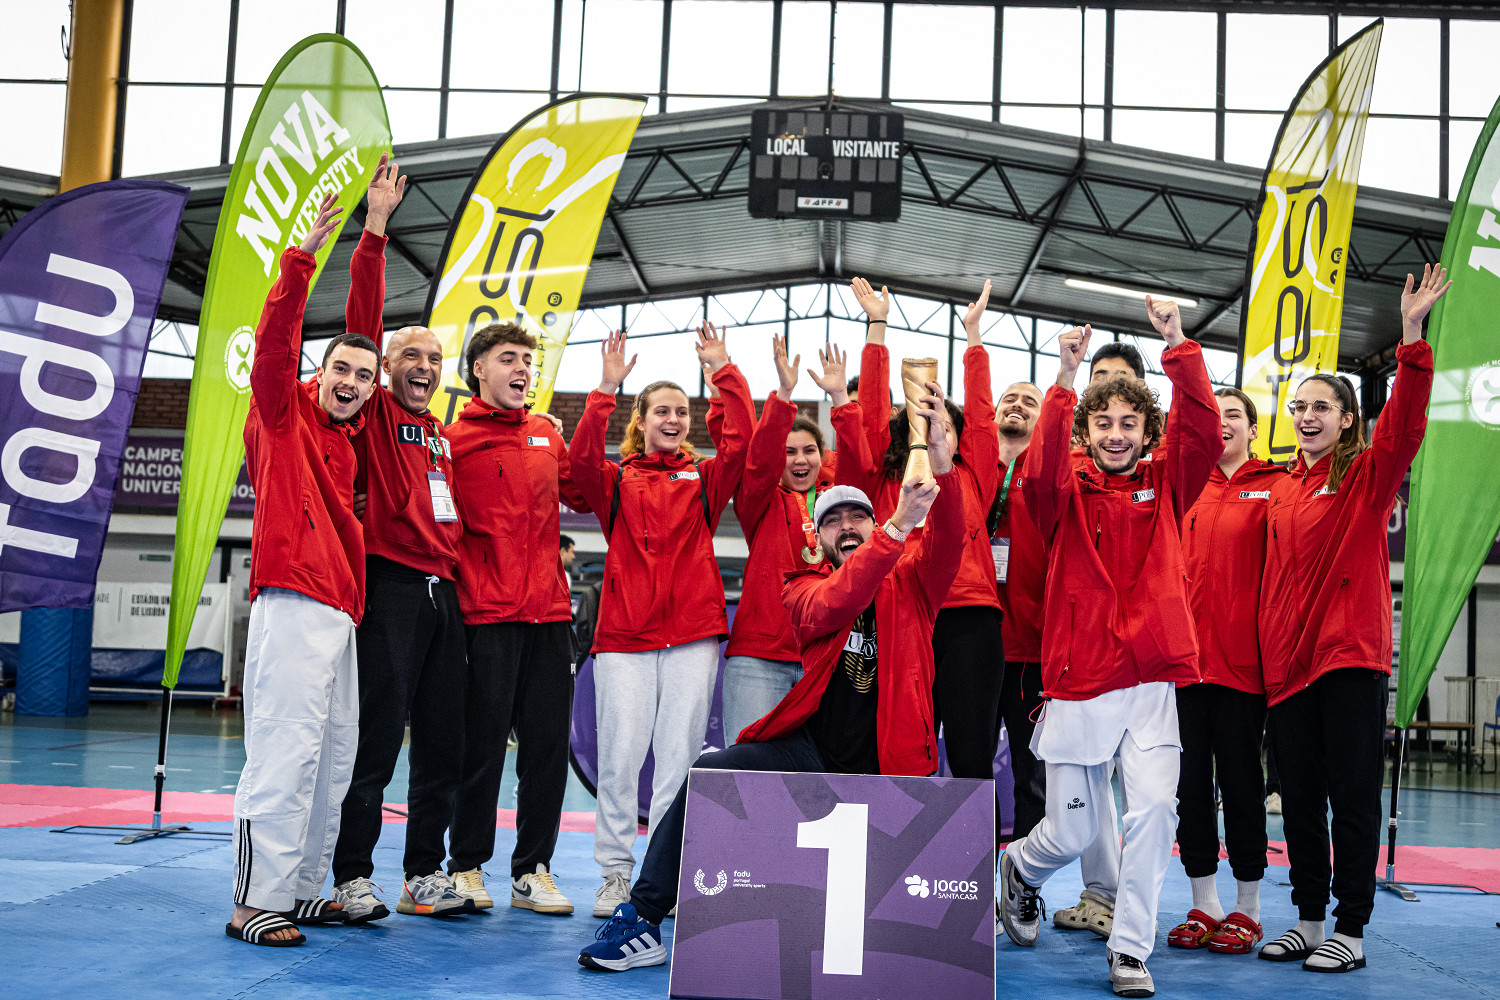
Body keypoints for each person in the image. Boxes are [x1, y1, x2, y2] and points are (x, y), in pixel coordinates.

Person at [577, 380, 963, 973]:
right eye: (835, 522)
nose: (850, 526)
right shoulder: (803, 586)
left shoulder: (914, 582)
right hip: (811, 750)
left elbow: (951, 532)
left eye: (862, 515)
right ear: (818, 538)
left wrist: (944, 461)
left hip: (891, 760)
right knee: (709, 771)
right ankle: (645, 916)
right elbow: (836, 601)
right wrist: (891, 531)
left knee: (889, 934)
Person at [998, 297, 1222, 1000]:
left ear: (1146, 430)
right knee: (1067, 835)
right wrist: (1064, 378)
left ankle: (1130, 950)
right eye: (1104, 424)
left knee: (1156, 810)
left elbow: (1205, 436)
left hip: (1151, 680)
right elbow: (1034, 474)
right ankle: (1017, 872)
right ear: (1085, 432)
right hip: (1078, 679)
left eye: (1129, 424)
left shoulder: (1165, 484)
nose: (1117, 434)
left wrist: (1178, 345)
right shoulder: (1061, 490)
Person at [1256, 265, 1446, 974]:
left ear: (1346, 420)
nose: (1307, 415)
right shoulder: (1281, 488)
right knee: (1299, 795)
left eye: (1322, 407)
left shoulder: (1364, 476)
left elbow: (1406, 428)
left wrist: (1411, 337)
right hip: (1287, 669)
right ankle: (1307, 918)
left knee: (1352, 798)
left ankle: (1353, 929)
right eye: (1299, 406)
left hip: (1348, 658)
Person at [226, 194, 378, 947]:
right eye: (340, 368)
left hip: (340, 612)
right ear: (318, 373)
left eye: (363, 375)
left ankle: (303, 889)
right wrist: (303, 256)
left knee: (333, 757)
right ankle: (254, 902)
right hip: (290, 601)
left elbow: (369, 333)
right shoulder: (281, 415)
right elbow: (276, 341)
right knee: (285, 751)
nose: (350, 380)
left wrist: (376, 236)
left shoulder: (348, 443)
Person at [327, 157, 475, 922]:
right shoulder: (378, 417)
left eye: (434, 360)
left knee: (442, 742)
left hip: (443, 595)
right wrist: (375, 229)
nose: (424, 366)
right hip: (389, 586)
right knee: (377, 739)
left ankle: (425, 877)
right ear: (388, 370)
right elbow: (363, 314)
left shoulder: (443, 434)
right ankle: (353, 875)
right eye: (411, 356)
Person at [570, 324, 755, 918]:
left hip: (693, 638)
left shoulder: (703, 479)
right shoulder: (616, 479)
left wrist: (721, 370)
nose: (673, 420)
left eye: (681, 412)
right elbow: (576, 459)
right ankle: (615, 876)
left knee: (679, 760)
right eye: (661, 412)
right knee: (621, 758)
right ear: (641, 421)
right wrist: (604, 387)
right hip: (624, 637)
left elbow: (743, 442)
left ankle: (663, 877)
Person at [844, 277, 1004, 856]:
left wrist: (974, 336)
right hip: (901, 622)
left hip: (969, 623)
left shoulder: (973, 476)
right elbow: (865, 418)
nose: (935, 427)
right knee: (898, 748)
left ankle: (975, 881)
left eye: (946, 421)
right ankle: (892, 868)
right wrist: (877, 329)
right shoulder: (888, 482)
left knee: (969, 756)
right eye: (924, 418)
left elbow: (982, 418)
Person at [442, 321, 590, 916]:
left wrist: (570, 432)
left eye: (529, 360)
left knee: (548, 751)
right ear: (479, 368)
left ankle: (533, 871)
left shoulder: (544, 436)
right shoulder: (452, 441)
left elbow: (583, 493)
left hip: (550, 616)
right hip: (485, 615)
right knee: (480, 750)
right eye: (509, 358)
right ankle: (466, 867)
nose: (523, 369)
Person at [1166, 387, 1284, 954]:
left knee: (1241, 785)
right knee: (1188, 789)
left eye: (1233, 415)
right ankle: (1203, 901)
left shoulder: (1275, 484)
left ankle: (1248, 905)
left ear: (1252, 430)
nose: (1223, 424)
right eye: (1214, 416)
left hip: (1243, 668)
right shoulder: (1185, 484)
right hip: (1184, 667)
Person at [709, 340, 870, 740]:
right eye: (790, 452)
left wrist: (838, 397)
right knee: (745, 774)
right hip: (760, 658)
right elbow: (758, 458)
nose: (800, 460)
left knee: (821, 777)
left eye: (810, 451)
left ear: (822, 454)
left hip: (829, 654)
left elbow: (861, 463)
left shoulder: (839, 506)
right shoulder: (758, 502)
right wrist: (783, 395)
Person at [986, 381, 1048, 847]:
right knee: (972, 766)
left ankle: (1023, 881)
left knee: (1031, 775)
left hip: (1031, 649)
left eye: (1030, 402)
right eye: (1010, 398)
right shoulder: (973, 466)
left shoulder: (1049, 472)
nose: (1018, 406)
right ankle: (975, 875)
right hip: (975, 643)